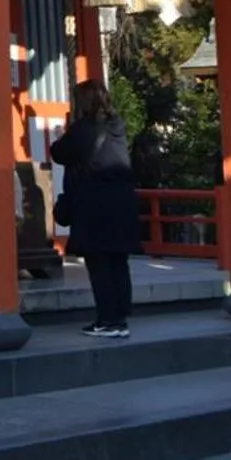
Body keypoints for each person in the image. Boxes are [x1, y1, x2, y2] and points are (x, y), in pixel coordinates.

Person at [50, 80, 143, 339]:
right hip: (122, 203)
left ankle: (108, 319)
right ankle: (120, 317)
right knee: (118, 262)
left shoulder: (83, 130)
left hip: (95, 205)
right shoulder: (117, 127)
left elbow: (59, 153)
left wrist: (60, 136)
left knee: (99, 263)